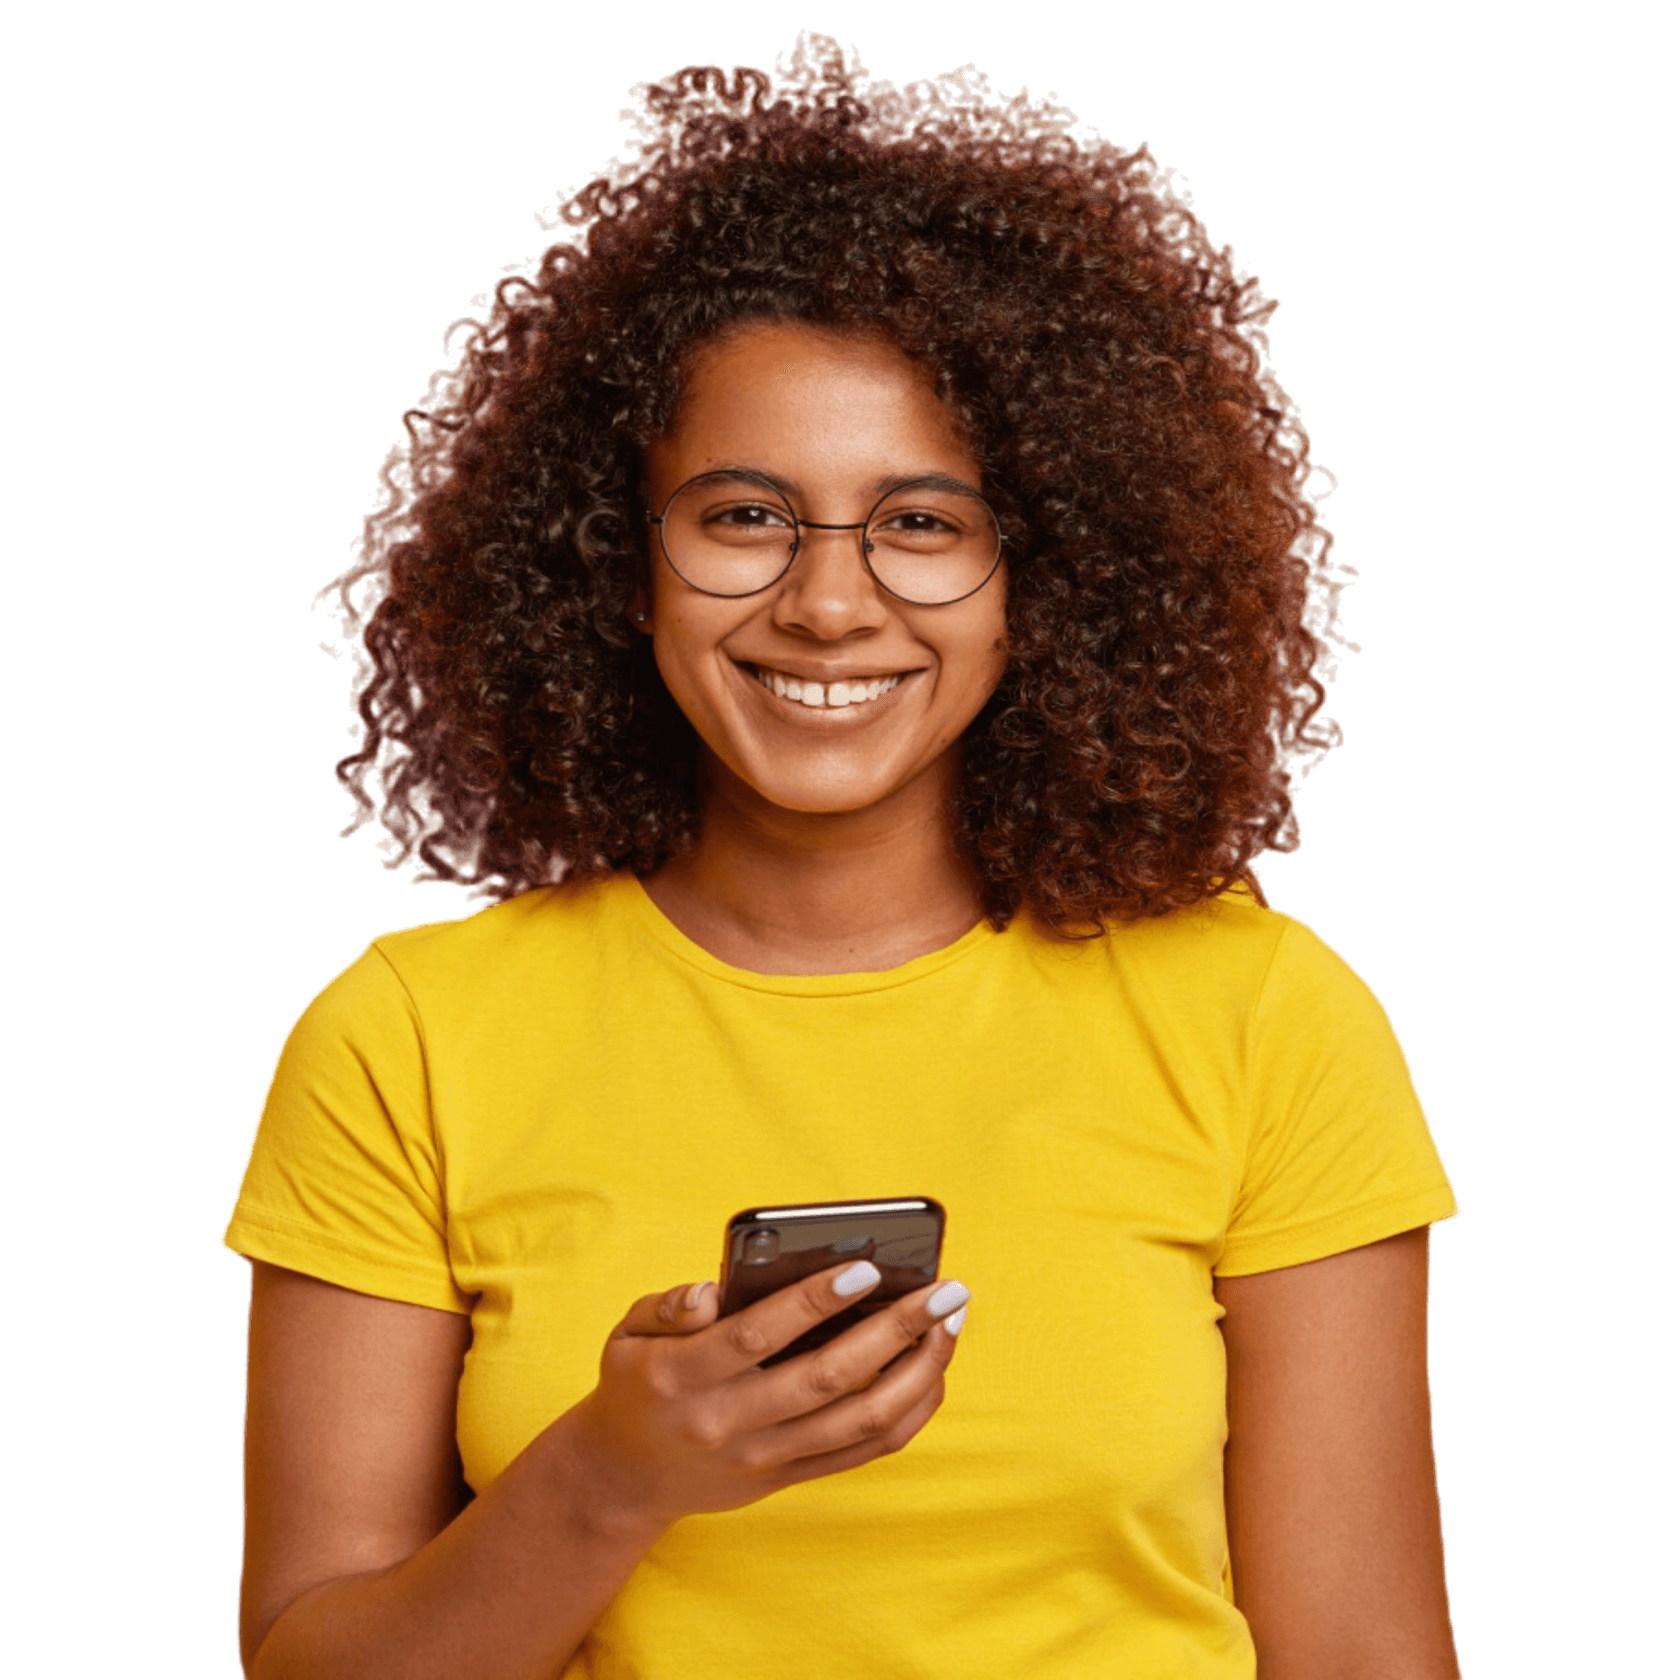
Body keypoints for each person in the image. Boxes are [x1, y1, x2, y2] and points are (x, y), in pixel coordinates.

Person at [223, 32, 1465, 1680]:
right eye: (743, 514)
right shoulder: (407, 1039)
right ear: (618, 558)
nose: (825, 601)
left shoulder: (1268, 1019)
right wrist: (609, 1480)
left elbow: (1367, 1653)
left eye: (923, 523)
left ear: (1055, 574)